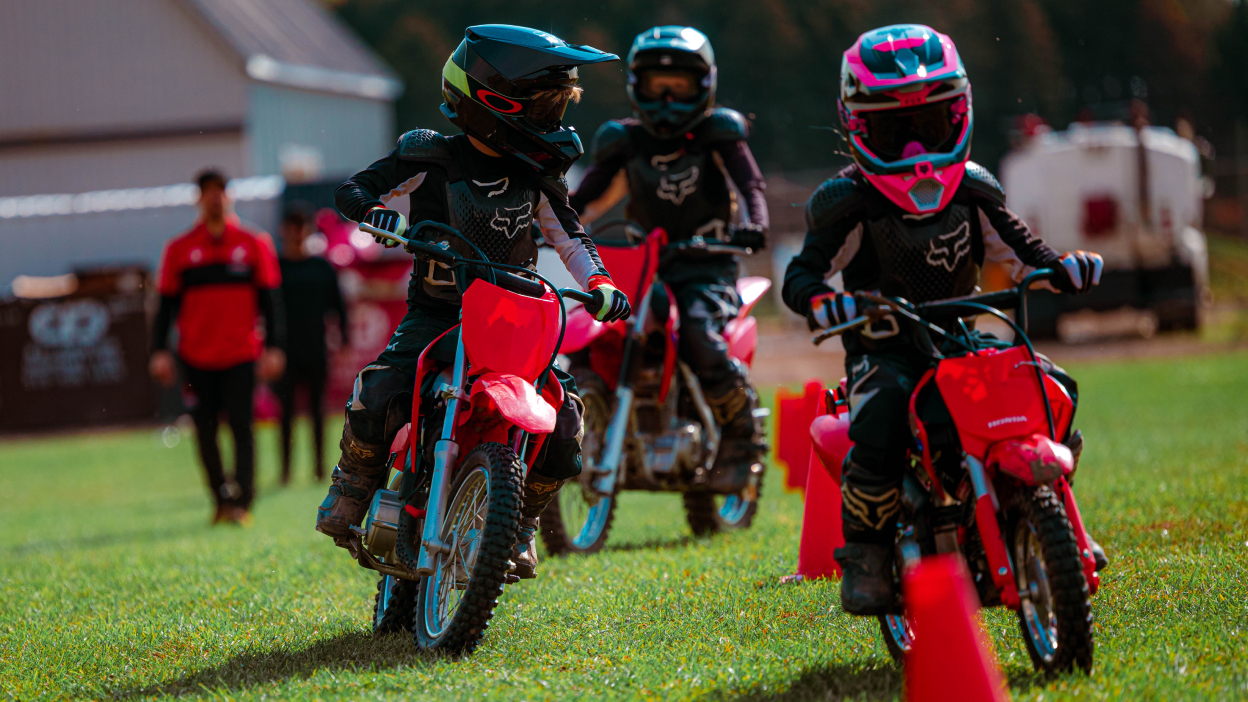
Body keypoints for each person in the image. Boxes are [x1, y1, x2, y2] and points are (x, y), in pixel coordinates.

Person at [781, 25, 1108, 615]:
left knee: (1052, 388)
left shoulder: (973, 190)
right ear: (857, 126)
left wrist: (1064, 267)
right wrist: (823, 302)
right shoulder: (847, 202)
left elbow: (1028, 251)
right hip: (884, 347)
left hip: (961, 336)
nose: (914, 151)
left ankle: (1049, 506)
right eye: (894, 130)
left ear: (959, 114)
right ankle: (868, 557)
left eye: (929, 127)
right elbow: (800, 277)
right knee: (878, 420)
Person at [315, 25, 631, 580]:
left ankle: (521, 523)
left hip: (513, 321)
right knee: (378, 390)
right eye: (548, 104)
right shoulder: (430, 155)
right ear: (496, 101)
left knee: (564, 425)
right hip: (436, 314)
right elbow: (353, 191)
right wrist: (377, 216)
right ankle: (353, 484)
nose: (556, 118)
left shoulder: (539, 173)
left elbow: (572, 238)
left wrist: (600, 283)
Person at [569, 26, 769, 491]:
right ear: (636, 87)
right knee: (601, 331)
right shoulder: (623, 141)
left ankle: (743, 439)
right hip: (644, 269)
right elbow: (582, 199)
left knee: (700, 335)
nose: (665, 99)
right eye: (656, 87)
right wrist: (547, 224)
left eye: (677, 87)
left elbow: (751, 187)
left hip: (708, 267)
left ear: (703, 86)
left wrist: (755, 224)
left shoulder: (719, 134)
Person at [150, 169, 286, 526]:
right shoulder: (178, 249)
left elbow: (271, 301)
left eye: (220, 191)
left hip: (241, 354)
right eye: (207, 191)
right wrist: (160, 350)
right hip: (195, 357)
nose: (214, 198)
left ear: (229, 196)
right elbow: (165, 305)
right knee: (205, 431)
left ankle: (243, 501)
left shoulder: (254, 242)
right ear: (198, 198)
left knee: (243, 428)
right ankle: (220, 499)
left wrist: (273, 347)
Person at [274, 206, 349, 484]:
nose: (296, 234)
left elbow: (338, 307)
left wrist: (343, 339)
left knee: (318, 411)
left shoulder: (321, 268)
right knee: (285, 413)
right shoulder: (276, 268)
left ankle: (318, 469)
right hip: (284, 351)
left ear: (308, 231)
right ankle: (285, 471)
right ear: (284, 232)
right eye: (291, 228)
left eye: (301, 227)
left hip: (315, 348)